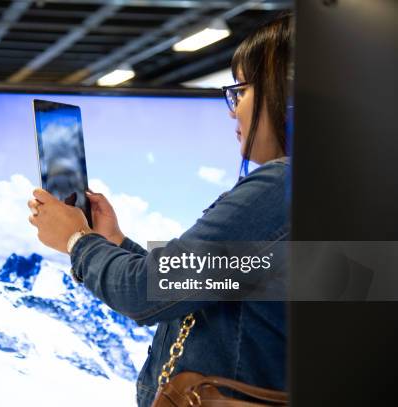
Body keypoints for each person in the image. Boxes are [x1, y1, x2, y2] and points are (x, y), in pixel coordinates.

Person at [28, 14, 292, 407]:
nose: (232, 109)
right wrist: (114, 242)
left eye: (243, 89)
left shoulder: (281, 187)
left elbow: (147, 293)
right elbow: (202, 286)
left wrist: (76, 241)